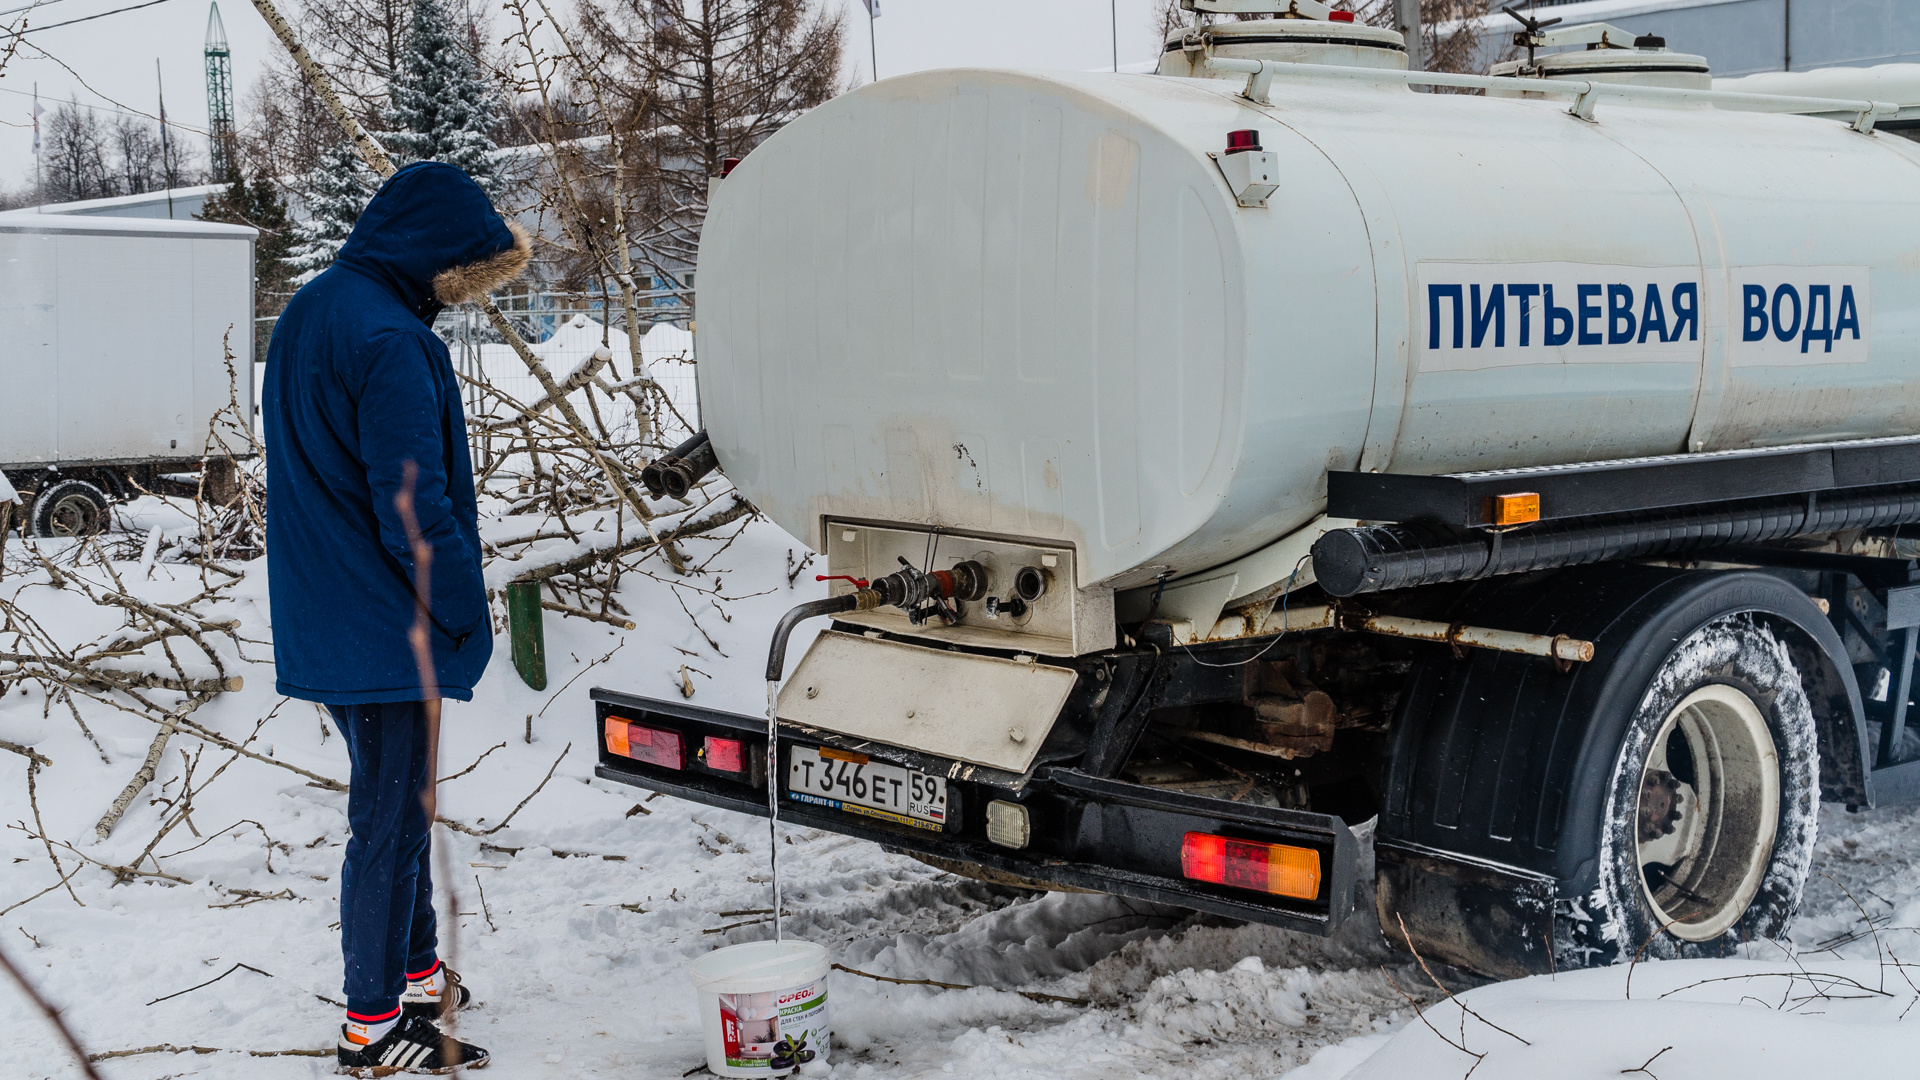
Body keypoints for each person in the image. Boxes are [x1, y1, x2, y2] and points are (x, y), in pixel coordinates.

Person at [262, 160, 529, 1075]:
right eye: (464, 270)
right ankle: (371, 1029)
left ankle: (415, 972)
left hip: (326, 610)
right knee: (388, 820)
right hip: (383, 621)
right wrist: (461, 615)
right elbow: (414, 507)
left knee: (400, 802)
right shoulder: (392, 340)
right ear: (436, 250)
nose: (459, 293)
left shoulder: (314, 309)